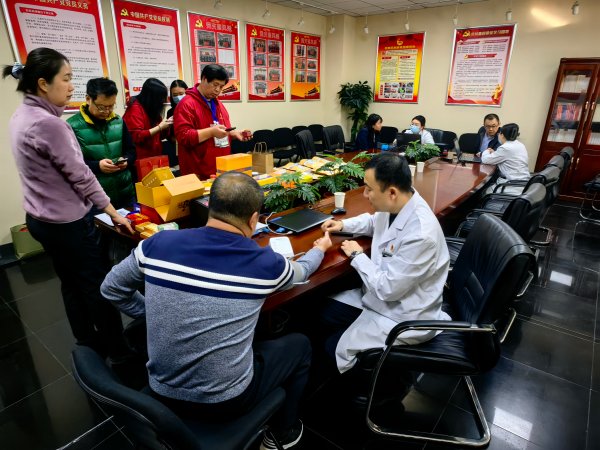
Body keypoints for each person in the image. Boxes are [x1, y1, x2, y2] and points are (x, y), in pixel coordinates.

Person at [100, 171, 332, 450]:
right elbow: (303, 271)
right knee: (300, 345)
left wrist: (155, 314)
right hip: (226, 401)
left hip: (159, 392)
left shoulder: (156, 244)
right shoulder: (266, 264)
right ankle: (284, 432)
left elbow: (111, 288)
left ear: (209, 206)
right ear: (254, 219)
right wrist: (320, 248)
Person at [3, 48, 134, 362]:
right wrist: (112, 212)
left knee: (71, 282)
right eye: (66, 78)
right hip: (67, 223)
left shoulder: (21, 115)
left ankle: (86, 340)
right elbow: (82, 176)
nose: (72, 86)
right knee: (97, 285)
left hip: (39, 218)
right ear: (43, 84)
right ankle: (120, 353)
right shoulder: (51, 124)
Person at [320, 153, 450, 373]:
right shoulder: (400, 203)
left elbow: (388, 289)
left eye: (369, 189)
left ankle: (382, 386)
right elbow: (374, 222)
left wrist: (357, 256)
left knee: (332, 349)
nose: (365, 194)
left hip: (404, 315)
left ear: (391, 192)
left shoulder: (421, 234)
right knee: (325, 313)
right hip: (384, 299)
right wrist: (343, 225)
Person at [67, 77, 135, 209]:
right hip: (94, 198)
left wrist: (126, 161)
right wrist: (97, 166)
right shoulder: (72, 126)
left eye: (111, 106)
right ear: (88, 99)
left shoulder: (118, 121)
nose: (107, 112)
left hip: (125, 192)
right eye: (102, 107)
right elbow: (71, 164)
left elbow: (131, 150)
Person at [174, 64, 252, 179]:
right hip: (198, 171)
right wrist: (211, 132)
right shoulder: (186, 104)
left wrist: (233, 134)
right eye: (215, 85)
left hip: (220, 168)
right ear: (204, 79)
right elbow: (184, 137)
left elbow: (221, 130)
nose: (217, 90)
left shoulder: (217, 103)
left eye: (221, 87)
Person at [123, 77, 172, 159]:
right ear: (153, 97)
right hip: (141, 158)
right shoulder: (135, 109)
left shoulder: (150, 108)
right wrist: (160, 127)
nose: (163, 101)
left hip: (154, 155)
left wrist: (167, 126)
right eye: (161, 98)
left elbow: (159, 136)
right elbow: (137, 136)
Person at [480, 123, 530, 193]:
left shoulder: (505, 148)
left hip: (511, 185)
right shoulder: (519, 144)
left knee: (483, 192)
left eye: (499, 133)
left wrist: (487, 150)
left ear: (502, 135)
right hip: (522, 182)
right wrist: (495, 153)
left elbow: (485, 160)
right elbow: (506, 156)